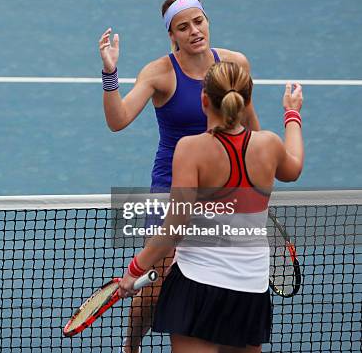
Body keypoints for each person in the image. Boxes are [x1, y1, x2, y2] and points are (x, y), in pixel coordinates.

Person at [99, 0, 260, 352]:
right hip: (171, 188)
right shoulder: (159, 74)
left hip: (223, 190)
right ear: (172, 35)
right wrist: (110, 74)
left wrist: (254, 184)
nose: (194, 32)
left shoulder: (236, 64)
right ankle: (131, 346)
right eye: (182, 27)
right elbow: (118, 120)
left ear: (207, 21)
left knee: (221, 281)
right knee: (155, 286)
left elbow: (255, 134)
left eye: (198, 22)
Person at [119, 61, 304, 352]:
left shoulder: (190, 149)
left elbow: (174, 229)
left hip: (196, 285)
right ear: (246, 102)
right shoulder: (269, 145)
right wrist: (292, 114)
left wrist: (135, 269)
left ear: (204, 100)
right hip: (250, 291)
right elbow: (294, 168)